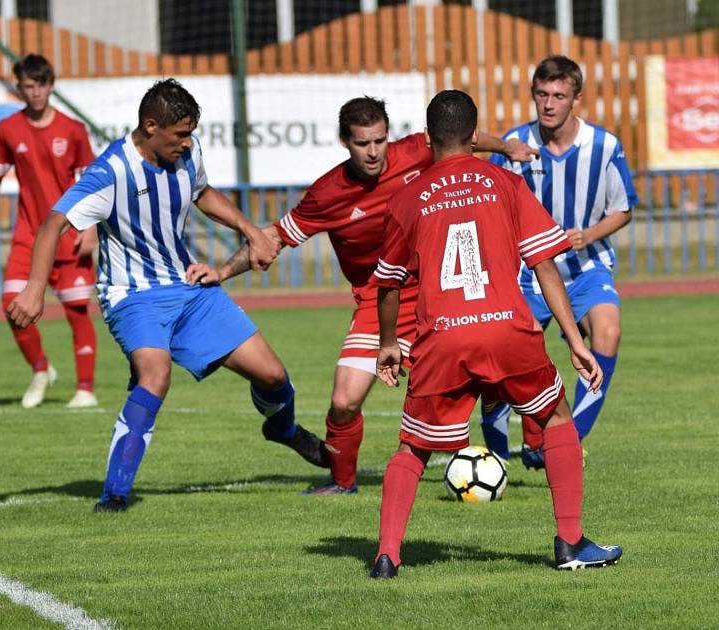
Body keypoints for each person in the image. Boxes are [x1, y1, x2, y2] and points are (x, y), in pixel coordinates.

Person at [186, 96, 537, 495]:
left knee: (497, 363)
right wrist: (222, 272)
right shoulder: (327, 193)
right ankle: (342, 482)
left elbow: (462, 139)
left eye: (379, 140)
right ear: (344, 142)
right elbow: (274, 238)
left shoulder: (415, 151)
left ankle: (539, 440)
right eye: (362, 143)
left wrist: (507, 147)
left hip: (434, 291)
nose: (373, 152)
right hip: (377, 301)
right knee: (344, 401)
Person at [7, 79, 328, 512]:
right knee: (155, 375)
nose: (187, 142)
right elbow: (52, 225)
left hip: (188, 288)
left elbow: (203, 192)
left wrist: (251, 231)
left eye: (190, 133)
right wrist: (34, 289)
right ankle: (115, 495)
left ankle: (284, 430)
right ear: (150, 126)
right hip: (132, 296)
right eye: (179, 134)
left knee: (272, 376)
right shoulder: (111, 171)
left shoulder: (187, 154)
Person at [369, 89, 622, 578]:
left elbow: (388, 284)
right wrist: (573, 339)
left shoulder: (406, 198)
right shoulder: (503, 182)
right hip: (508, 329)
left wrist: (387, 345)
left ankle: (387, 554)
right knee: (555, 416)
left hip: (441, 338)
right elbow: (544, 262)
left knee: (413, 449)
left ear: (428, 138)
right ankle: (570, 542)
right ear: (474, 135)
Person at [481, 55, 638, 468]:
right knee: (503, 355)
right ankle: (495, 457)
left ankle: (562, 443)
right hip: (526, 274)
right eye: (542, 94)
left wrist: (589, 234)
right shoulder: (514, 143)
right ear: (533, 95)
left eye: (559, 95)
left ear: (576, 99)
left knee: (608, 331)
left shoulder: (604, 146)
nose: (549, 104)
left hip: (587, 268)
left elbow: (623, 209)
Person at [0, 53, 99, 409]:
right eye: (27, 86)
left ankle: (85, 390)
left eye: (41, 85)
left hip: (69, 234)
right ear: (19, 88)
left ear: (51, 85)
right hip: (28, 236)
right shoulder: (7, 130)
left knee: (77, 311)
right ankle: (41, 368)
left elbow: (91, 184)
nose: (35, 92)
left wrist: (90, 229)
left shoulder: (73, 130)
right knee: (11, 305)